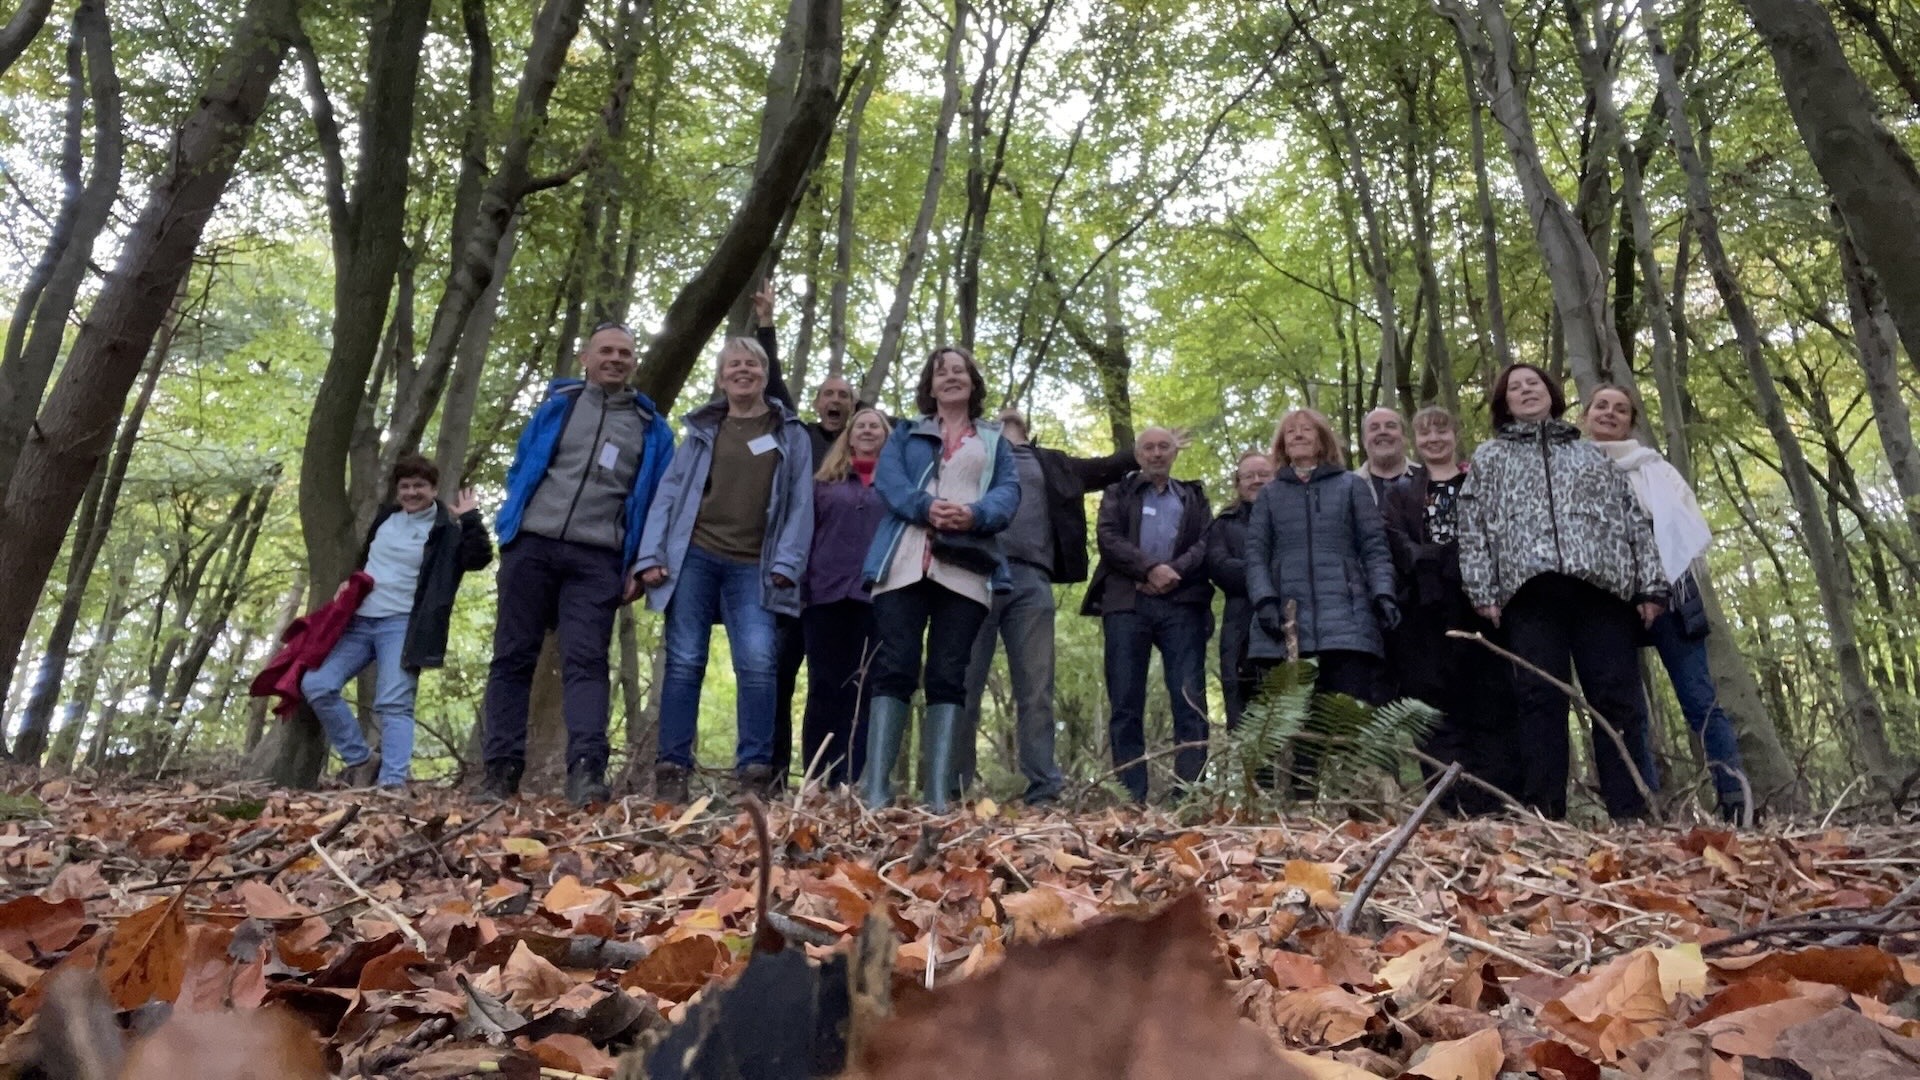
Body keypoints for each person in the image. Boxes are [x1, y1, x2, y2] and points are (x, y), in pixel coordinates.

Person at [1456, 363, 1668, 822]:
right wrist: (1482, 589)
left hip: (1602, 590)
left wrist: (1651, 585)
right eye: (1515, 387)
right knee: (1538, 698)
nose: (1526, 390)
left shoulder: (1590, 454)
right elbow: (1471, 527)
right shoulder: (1490, 458)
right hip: (1528, 593)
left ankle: (1629, 811)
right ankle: (1544, 812)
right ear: (1505, 403)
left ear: (1552, 394)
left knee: (1616, 699)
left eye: (1533, 383)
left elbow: (1633, 520)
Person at [483, 323, 675, 806]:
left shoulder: (651, 428)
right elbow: (523, 465)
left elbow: (655, 502)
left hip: (599, 557)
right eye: (605, 351)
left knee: (587, 661)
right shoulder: (558, 406)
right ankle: (499, 773)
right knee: (512, 657)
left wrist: (639, 561)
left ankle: (587, 774)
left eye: (625, 353)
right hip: (532, 545)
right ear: (585, 357)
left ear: (634, 362)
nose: (615, 358)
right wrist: (512, 527)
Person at [637, 335, 814, 803]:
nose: (742, 371)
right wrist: (651, 556)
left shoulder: (788, 432)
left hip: (754, 566)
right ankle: (672, 770)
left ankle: (753, 775)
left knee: (758, 662)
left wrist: (787, 563)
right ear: (720, 377)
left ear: (764, 374)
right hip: (693, 555)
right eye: (733, 365)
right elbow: (669, 495)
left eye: (751, 365)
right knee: (685, 661)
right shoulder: (701, 431)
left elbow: (800, 504)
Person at [859, 346, 1020, 811]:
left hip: (966, 569)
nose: (950, 377)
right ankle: (876, 792)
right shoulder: (906, 434)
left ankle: (936, 797)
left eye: (959, 371)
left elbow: (1009, 494)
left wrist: (973, 514)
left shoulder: (993, 442)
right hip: (904, 561)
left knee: (949, 675)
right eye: (940, 372)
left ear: (973, 382)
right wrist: (925, 506)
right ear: (929, 387)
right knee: (895, 666)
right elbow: (889, 483)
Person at [955, 407, 1138, 803]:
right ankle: (953, 787)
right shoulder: (975, 452)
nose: (1006, 413)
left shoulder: (1052, 463)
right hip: (975, 574)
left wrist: (1149, 449)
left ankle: (1044, 790)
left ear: (1028, 428)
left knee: (1036, 690)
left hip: (1031, 580)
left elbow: (1107, 467)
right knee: (963, 684)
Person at [1584, 385, 1747, 821]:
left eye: (1620, 409)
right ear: (1586, 415)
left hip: (1672, 593)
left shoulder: (1656, 469)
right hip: (1605, 600)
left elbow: (1686, 527)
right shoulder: (1574, 468)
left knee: (1698, 698)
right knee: (1624, 707)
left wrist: (1656, 583)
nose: (1610, 414)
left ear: (1631, 421)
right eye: (1601, 406)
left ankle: (1735, 800)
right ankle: (1642, 806)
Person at [303, 455, 493, 788]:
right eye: (405, 486)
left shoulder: (445, 530)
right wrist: (351, 580)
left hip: (403, 624)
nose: (411, 492)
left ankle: (392, 784)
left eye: (419, 485)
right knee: (317, 684)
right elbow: (369, 558)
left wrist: (471, 518)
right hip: (359, 622)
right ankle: (361, 760)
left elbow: (478, 558)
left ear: (433, 488)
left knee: (394, 702)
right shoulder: (386, 518)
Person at [1246, 409, 1399, 796]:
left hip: (1347, 619)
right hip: (1288, 625)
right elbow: (1255, 554)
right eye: (1291, 432)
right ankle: (1301, 806)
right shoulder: (1269, 494)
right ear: (1282, 444)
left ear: (1322, 440)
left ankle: (1362, 807)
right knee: (1299, 726)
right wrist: (1265, 599)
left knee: (1351, 717)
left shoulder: (1350, 486)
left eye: (1307, 431)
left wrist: (1383, 593)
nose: (1298, 436)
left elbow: (1374, 547)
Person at [1383, 406, 1519, 814]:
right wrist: (1431, 558)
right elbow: (1394, 540)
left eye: (1441, 431)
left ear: (1455, 435)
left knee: (1490, 699)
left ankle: (1497, 799)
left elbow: (1500, 533)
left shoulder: (1478, 482)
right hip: (1426, 612)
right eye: (1425, 434)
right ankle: (1451, 802)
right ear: (1415, 441)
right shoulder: (1403, 492)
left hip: (1481, 605)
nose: (1434, 440)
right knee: (1436, 706)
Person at [1084, 427, 1214, 803]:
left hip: (1182, 603)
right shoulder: (1118, 493)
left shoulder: (1193, 496)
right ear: (1138, 455)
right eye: (1148, 448)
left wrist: (1173, 572)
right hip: (1127, 603)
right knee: (1125, 702)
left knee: (1189, 700)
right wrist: (1149, 569)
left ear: (1175, 453)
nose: (1156, 454)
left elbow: (1206, 540)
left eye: (1163, 447)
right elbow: (1108, 538)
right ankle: (1130, 797)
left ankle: (1189, 796)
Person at [799, 406, 891, 786]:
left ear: (886, 437)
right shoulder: (823, 484)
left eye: (876, 426)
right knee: (824, 684)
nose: (868, 430)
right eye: (861, 425)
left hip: (877, 596)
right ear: (849, 436)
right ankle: (817, 776)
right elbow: (804, 533)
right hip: (825, 594)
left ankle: (853, 779)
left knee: (865, 688)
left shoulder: (898, 486)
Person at [1204, 451, 1276, 731]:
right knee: (1244, 712)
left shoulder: (1291, 517)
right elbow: (1220, 568)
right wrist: (1270, 571)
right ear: (1238, 482)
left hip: (1290, 625)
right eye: (1249, 476)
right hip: (1240, 629)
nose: (1257, 481)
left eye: (1263, 474)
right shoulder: (1223, 524)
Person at [1356, 406, 1423, 505]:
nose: (1383, 431)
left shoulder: (1427, 480)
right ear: (1364, 440)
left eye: (1391, 426)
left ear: (1405, 437)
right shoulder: (1347, 486)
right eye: (1374, 428)